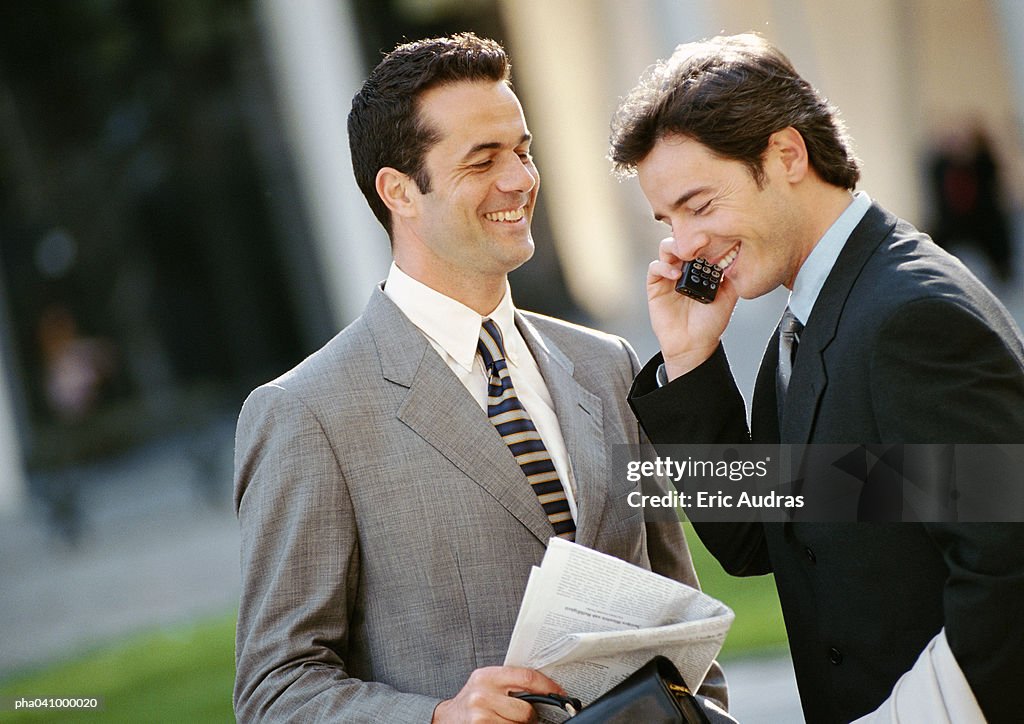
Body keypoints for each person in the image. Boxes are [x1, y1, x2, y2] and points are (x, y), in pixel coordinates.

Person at [233, 33, 731, 722]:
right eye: (483, 160)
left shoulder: (608, 365)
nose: (521, 179)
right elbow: (274, 691)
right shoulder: (307, 414)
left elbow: (681, 619)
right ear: (399, 191)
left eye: (523, 150)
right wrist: (437, 718)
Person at [609, 33, 1024, 724]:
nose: (681, 246)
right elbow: (755, 537)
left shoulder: (908, 318)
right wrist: (688, 359)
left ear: (788, 155)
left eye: (700, 205)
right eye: (667, 219)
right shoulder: (806, 322)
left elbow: (1008, 565)